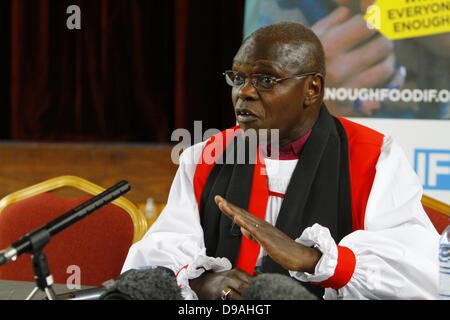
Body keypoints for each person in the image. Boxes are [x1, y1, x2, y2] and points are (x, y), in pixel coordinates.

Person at [122, 22, 440, 300]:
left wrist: (316, 260)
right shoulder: (205, 156)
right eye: (238, 77)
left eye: (266, 80)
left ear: (312, 89)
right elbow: (156, 257)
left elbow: (420, 272)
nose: (243, 92)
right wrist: (204, 280)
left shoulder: (374, 157)